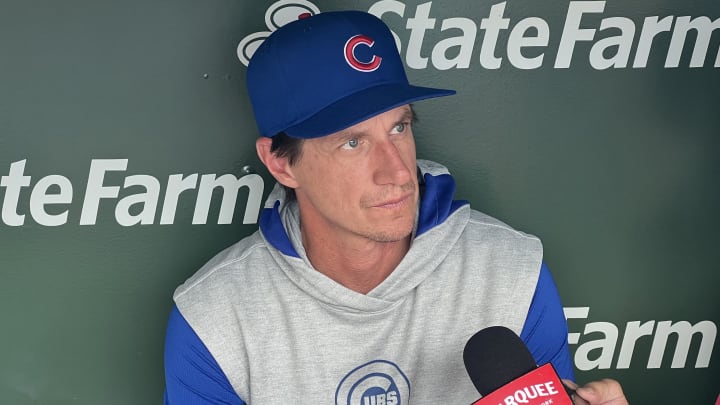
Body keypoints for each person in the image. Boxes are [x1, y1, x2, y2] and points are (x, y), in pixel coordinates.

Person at [163, 10, 628, 405]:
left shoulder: (509, 271)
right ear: (280, 164)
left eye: (399, 128)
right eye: (351, 142)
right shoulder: (215, 316)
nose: (398, 173)